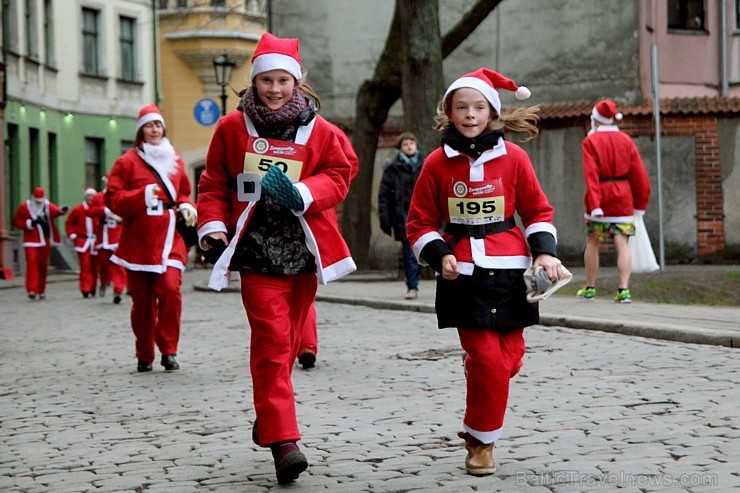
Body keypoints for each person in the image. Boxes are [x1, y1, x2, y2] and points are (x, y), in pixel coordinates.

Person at [197, 32, 355, 485]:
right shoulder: (231, 128)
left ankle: (269, 417)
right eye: (266, 80)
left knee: (286, 345)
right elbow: (213, 182)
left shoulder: (319, 129)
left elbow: (343, 171)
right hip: (256, 252)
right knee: (270, 345)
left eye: (283, 80)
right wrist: (213, 226)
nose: (274, 88)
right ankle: (285, 442)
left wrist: (305, 192)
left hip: (304, 252)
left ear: (297, 83)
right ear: (253, 82)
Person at [406, 68, 563, 476]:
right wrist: (439, 254)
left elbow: (537, 211)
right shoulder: (436, 163)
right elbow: (419, 222)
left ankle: (482, 382)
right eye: (461, 107)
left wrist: (544, 254)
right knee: (489, 361)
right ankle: (480, 443)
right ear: (449, 112)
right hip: (464, 274)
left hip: (511, 271)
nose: (470, 114)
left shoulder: (515, 159)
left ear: (492, 111)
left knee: (508, 360)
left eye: (478, 107)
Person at [105, 104, 197, 373]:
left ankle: (168, 350)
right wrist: (141, 196)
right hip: (139, 243)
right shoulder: (127, 162)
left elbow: (183, 193)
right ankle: (144, 353)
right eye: (149, 125)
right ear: (141, 131)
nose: (154, 130)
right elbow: (113, 199)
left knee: (170, 290)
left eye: (158, 125)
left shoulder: (176, 160)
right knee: (143, 304)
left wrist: (187, 205)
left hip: (170, 238)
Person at [296, 122, 359, 370]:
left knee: (303, 287)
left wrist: (315, 188)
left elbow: (346, 165)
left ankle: (304, 346)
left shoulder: (322, 129)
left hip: (313, 213)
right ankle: (301, 346)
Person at [576, 99, 651, 303]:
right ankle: (624, 289)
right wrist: (640, 203)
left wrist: (595, 203)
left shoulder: (590, 142)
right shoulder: (626, 140)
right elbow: (640, 176)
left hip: (600, 195)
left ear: (596, 119)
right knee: (622, 243)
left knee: (593, 242)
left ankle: (590, 287)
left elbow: (590, 175)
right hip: (623, 198)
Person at [378, 132, 425, 299]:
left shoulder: (425, 164)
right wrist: (386, 220)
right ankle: (412, 287)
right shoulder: (392, 168)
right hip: (403, 215)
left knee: (427, 251)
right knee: (410, 252)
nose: (410, 145)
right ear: (400, 147)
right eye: (406, 143)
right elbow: (384, 197)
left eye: (412, 142)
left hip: (425, 214)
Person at [12, 187, 68, 299]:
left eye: (40, 200)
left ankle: (41, 289)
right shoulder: (24, 207)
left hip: (45, 239)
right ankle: (32, 289)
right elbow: (17, 222)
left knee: (43, 265)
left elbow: (56, 211)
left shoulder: (46, 205)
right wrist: (29, 224)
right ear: (33, 197)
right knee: (32, 262)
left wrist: (62, 210)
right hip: (30, 240)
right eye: (37, 200)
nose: (39, 202)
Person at [88, 178, 127, 304]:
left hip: (117, 233)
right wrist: (105, 210)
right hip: (103, 235)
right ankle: (104, 282)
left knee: (118, 264)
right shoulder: (99, 197)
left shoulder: (122, 195)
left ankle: (118, 290)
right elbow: (90, 212)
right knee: (104, 265)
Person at [65, 187, 100, 298]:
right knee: (85, 266)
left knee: (95, 266)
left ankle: (93, 286)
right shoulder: (78, 209)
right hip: (82, 241)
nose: (90, 198)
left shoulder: (98, 209)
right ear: (85, 196)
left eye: (92, 196)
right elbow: (69, 223)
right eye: (88, 196)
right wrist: (72, 234)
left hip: (96, 241)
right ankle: (85, 288)